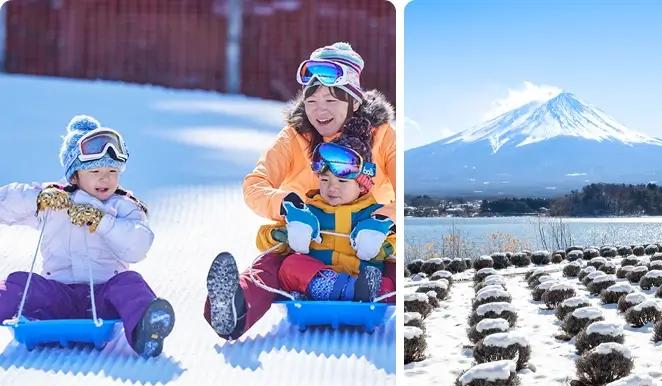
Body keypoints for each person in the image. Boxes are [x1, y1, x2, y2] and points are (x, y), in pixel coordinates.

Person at [204, 42, 396, 340]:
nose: (320, 110)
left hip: (368, 248)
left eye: (332, 100)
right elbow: (254, 185)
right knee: (272, 264)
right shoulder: (296, 138)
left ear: (354, 102)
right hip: (309, 244)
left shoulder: (381, 137)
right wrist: (289, 207)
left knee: (393, 271)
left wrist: (384, 220)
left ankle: (375, 296)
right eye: (313, 100)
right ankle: (234, 309)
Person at [0, 115, 175, 357]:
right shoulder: (54, 200)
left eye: (113, 171)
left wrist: (104, 223)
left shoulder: (122, 205)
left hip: (104, 297)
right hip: (57, 295)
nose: (106, 178)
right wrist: (36, 200)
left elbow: (138, 246)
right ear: (75, 175)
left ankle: (146, 331)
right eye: (95, 170)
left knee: (130, 284)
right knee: (19, 282)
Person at [256, 115, 395, 306]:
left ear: (362, 185)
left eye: (343, 181)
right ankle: (332, 288)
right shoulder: (309, 211)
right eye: (324, 180)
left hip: (363, 278)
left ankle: (362, 290)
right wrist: (279, 235)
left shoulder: (376, 215)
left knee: (389, 281)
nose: (332, 188)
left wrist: (385, 249)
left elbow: (394, 238)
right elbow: (263, 239)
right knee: (290, 265)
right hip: (318, 278)